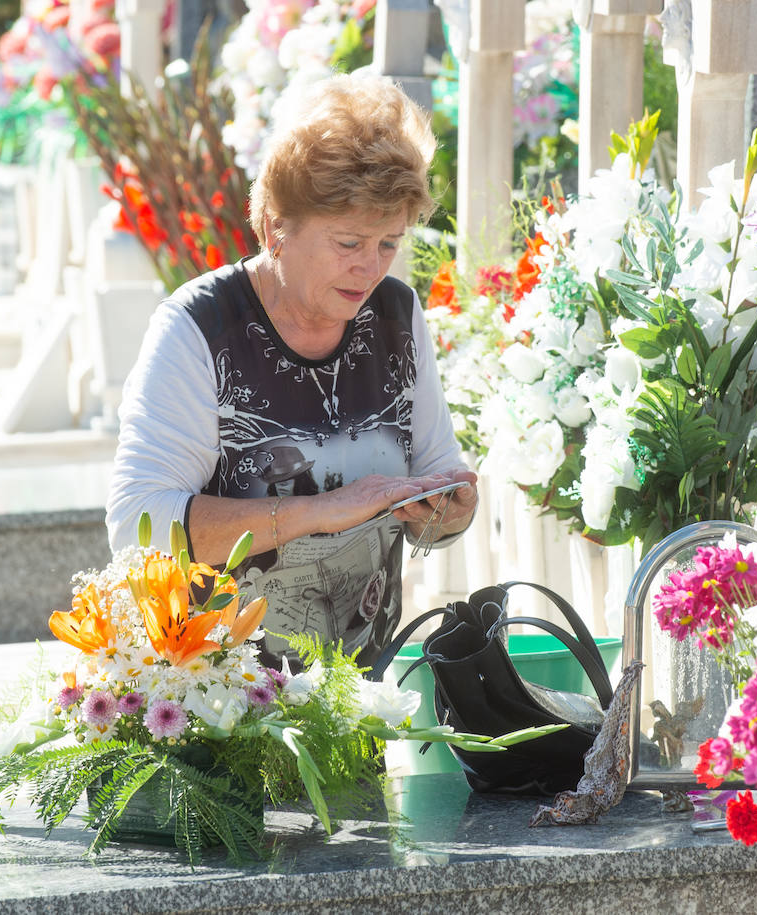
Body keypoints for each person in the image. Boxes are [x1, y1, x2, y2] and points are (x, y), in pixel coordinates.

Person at [106, 72, 478, 667]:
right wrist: (315, 513)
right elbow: (140, 528)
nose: (370, 268)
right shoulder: (198, 328)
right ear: (278, 226)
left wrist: (448, 512)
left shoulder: (397, 314)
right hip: (216, 699)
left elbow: (434, 478)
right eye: (349, 243)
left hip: (361, 698)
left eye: (388, 243)